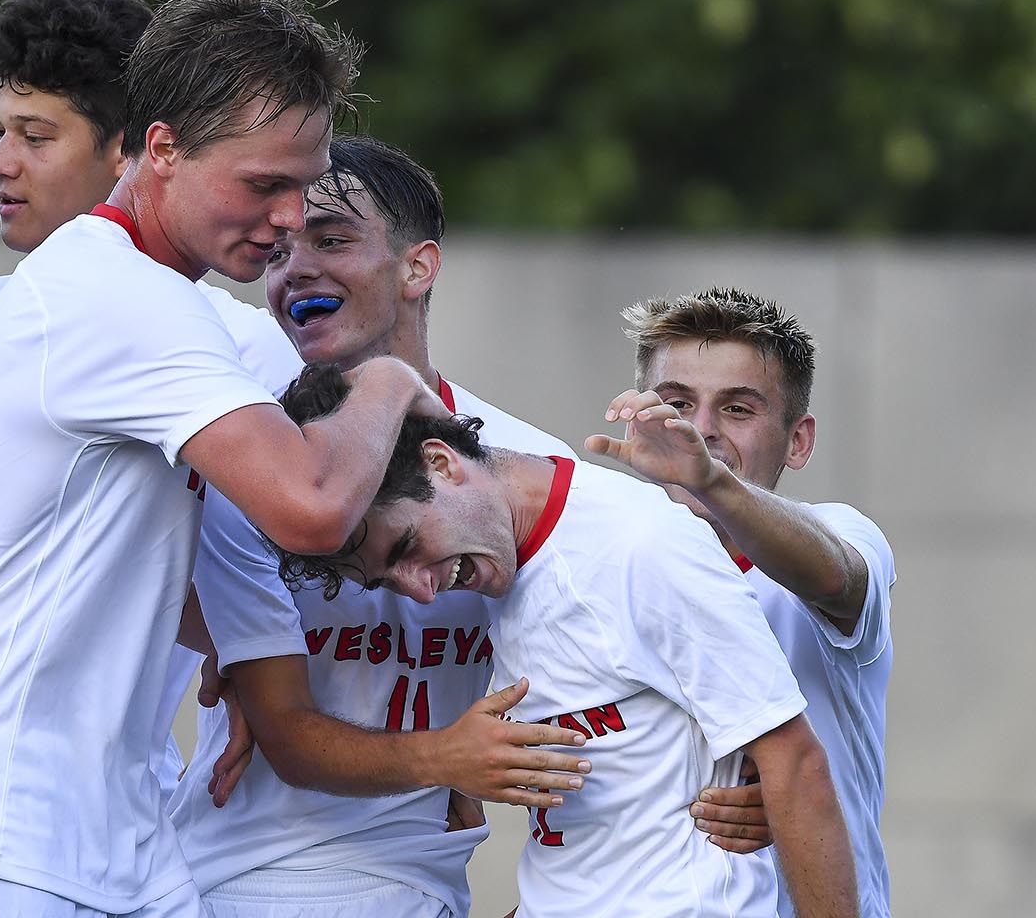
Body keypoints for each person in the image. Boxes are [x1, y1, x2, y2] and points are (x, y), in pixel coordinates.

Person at [0, 0, 445, 917]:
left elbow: (109, 562)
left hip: (114, 837)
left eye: (304, 188)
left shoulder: (153, 295)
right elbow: (310, 505)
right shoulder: (116, 294)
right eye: (265, 185)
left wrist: (241, 655)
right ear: (161, 149)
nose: (291, 220)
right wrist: (390, 378)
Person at [171, 136, 591, 918]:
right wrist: (441, 756)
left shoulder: (530, 464)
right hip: (248, 879)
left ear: (418, 267)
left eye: (331, 240)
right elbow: (287, 726)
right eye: (278, 252)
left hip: (425, 884)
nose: (296, 269)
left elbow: (584, 674)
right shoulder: (249, 465)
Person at [269, 365, 859, 918]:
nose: (417, 591)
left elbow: (798, 765)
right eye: (383, 579)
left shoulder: (638, 544)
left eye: (405, 549)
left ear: (442, 462)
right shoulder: (502, 565)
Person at [587, 287, 894, 917]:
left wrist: (795, 799)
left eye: (738, 409)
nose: (699, 431)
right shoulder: (595, 564)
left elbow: (838, 578)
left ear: (799, 441)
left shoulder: (843, 532)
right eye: (676, 403)